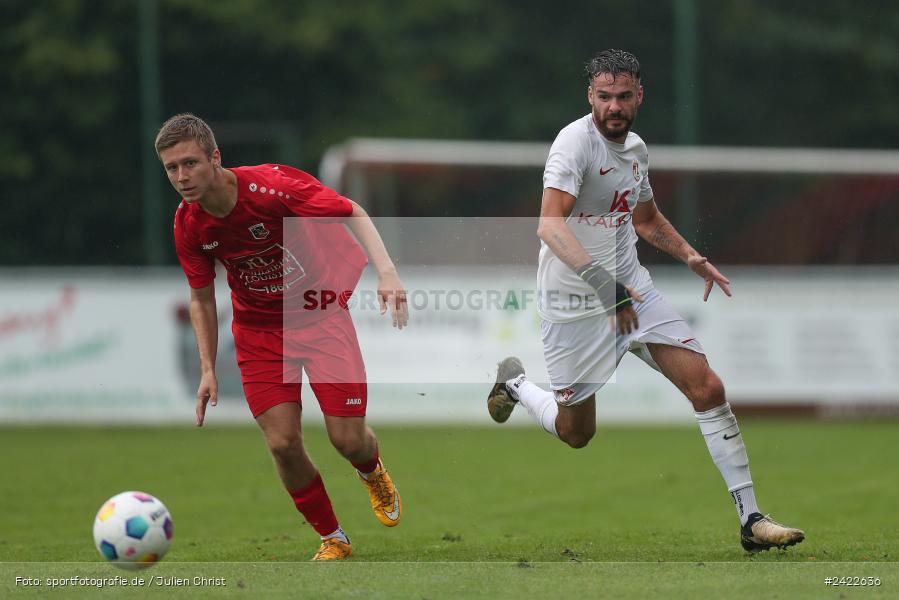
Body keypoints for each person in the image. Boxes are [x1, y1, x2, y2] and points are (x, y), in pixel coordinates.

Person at [486, 50, 804, 552]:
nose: (615, 106)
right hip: (576, 307)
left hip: (634, 293)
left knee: (708, 388)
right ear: (590, 95)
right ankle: (517, 384)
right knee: (576, 434)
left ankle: (751, 520)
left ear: (640, 95)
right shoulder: (574, 144)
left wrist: (690, 256)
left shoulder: (635, 149)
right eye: (605, 96)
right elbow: (549, 225)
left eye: (624, 96)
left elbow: (647, 219)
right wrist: (602, 286)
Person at [156, 113, 408, 561]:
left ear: (215, 157)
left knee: (348, 441)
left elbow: (353, 211)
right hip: (259, 333)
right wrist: (209, 368)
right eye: (172, 168)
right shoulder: (188, 225)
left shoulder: (273, 188)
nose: (181, 177)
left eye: (190, 163)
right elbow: (200, 299)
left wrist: (386, 274)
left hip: (320, 315)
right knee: (281, 441)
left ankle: (371, 470)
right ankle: (333, 537)